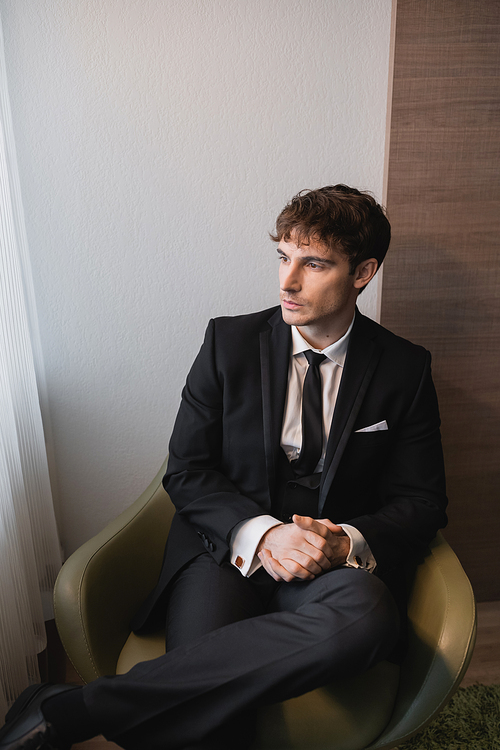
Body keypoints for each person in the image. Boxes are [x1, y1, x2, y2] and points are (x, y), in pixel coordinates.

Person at [0, 185, 448, 750]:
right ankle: (80, 714)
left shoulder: (405, 368)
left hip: (328, 571)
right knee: (217, 719)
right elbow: (186, 469)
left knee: (370, 618)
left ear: (362, 272)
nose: (287, 282)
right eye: (283, 257)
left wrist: (344, 543)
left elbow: (423, 501)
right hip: (223, 555)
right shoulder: (227, 343)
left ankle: (75, 710)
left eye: (313, 264)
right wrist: (264, 536)